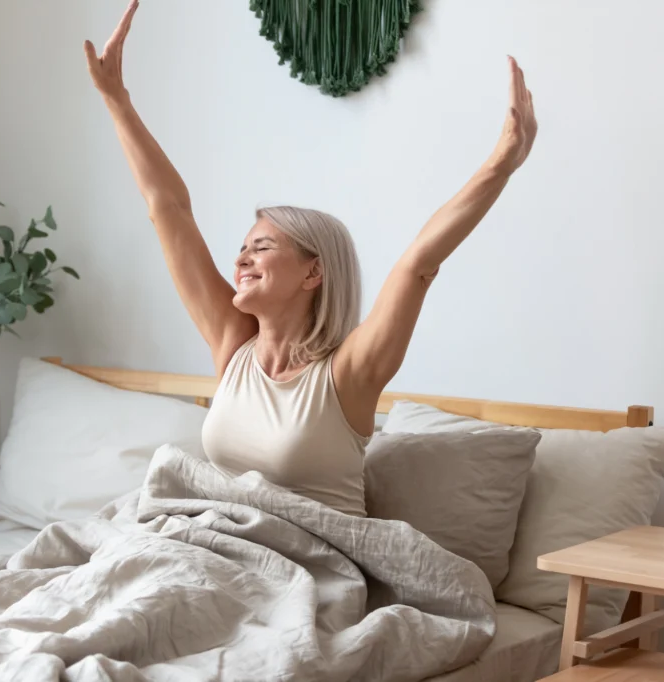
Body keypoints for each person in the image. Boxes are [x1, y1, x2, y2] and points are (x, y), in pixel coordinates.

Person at [84, 0, 537, 516]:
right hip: (219, 544)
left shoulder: (349, 374)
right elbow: (169, 210)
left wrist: (501, 163)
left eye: (263, 247)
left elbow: (418, 263)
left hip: (311, 562)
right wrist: (117, 101)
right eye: (242, 249)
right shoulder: (233, 348)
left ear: (313, 272)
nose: (242, 261)